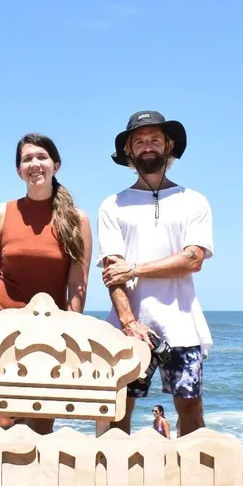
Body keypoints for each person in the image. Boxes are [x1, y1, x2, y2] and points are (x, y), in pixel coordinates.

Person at [98, 111, 214, 436]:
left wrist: (135, 268)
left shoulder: (193, 201)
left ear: (169, 145)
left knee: (190, 405)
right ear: (128, 152)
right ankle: (115, 480)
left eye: (154, 140)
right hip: (130, 327)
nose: (147, 146)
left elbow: (193, 258)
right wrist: (129, 323)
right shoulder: (113, 205)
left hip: (183, 324)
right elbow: (111, 270)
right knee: (119, 405)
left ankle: (190, 479)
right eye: (139, 141)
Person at [0, 133, 92, 433]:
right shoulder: (1, 213)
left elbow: (77, 284)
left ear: (56, 165)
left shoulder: (77, 219)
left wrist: (71, 333)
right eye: (27, 159)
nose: (34, 164)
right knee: (5, 419)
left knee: (41, 423)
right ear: (18, 170)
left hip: (48, 333)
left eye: (41, 157)